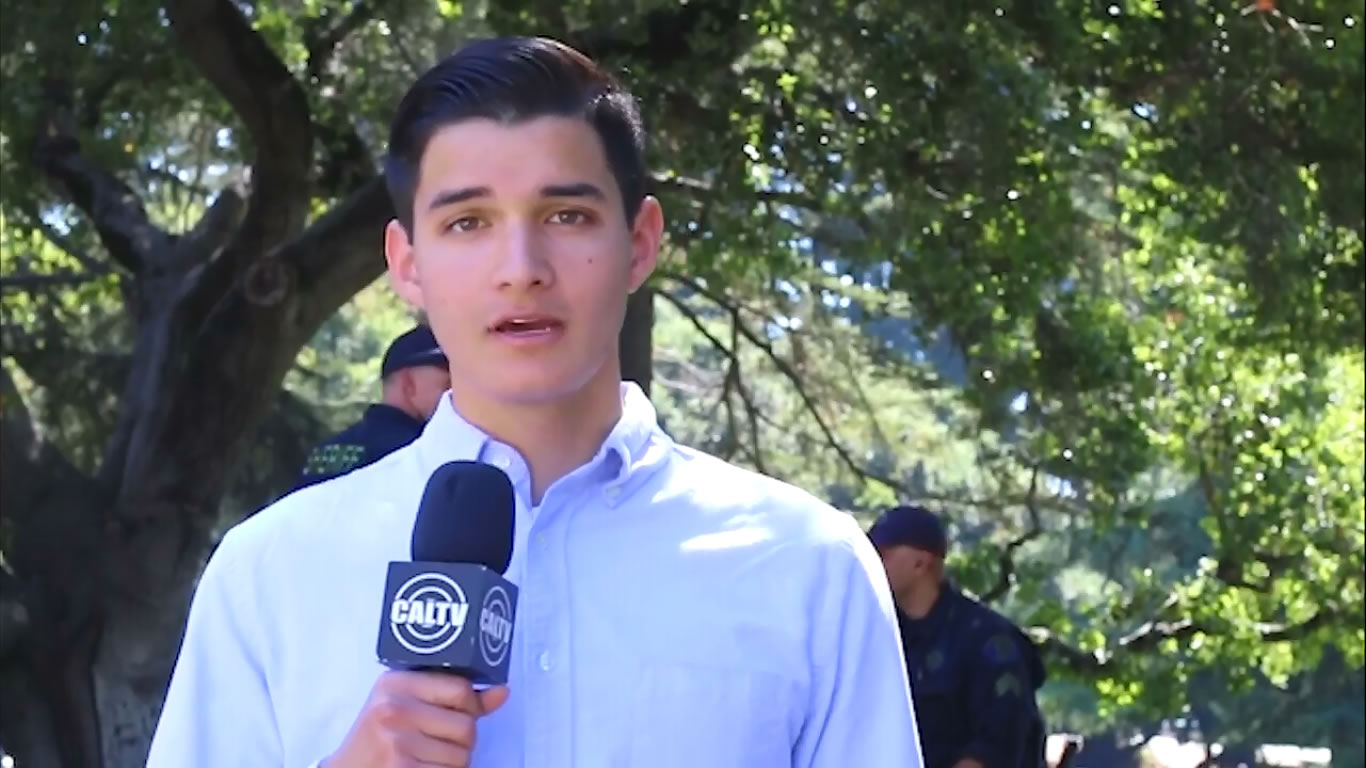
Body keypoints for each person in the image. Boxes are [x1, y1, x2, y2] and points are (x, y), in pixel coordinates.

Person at [146, 36, 922, 768]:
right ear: (407, 265)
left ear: (641, 242)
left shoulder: (807, 564)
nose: (521, 267)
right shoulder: (271, 571)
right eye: (468, 222)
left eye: (566, 216)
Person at [869, 505, 1048, 768]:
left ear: (921, 563)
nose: (871, 564)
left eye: (881, 554)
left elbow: (998, 744)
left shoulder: (989, 639)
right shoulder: (880, 638)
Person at [290, 324, 450, 492]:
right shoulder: (423, 453)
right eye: (448, 384)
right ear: (408, 384)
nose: (456, 395)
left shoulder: (327, 451)